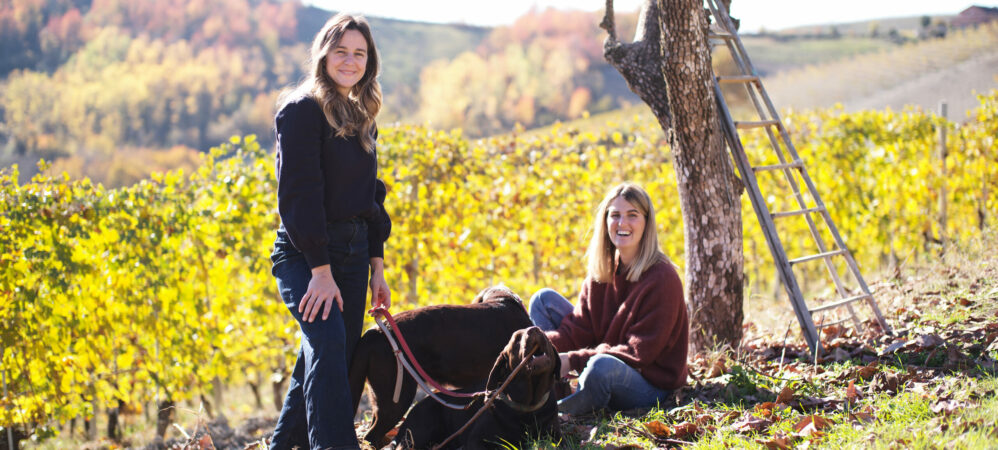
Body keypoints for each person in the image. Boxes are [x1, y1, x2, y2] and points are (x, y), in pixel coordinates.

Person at [268, 12, 391, 450]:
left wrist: (377, 265)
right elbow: (298, 196)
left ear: (368, 61)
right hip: (305, 254)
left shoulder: (362, 114)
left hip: (355, 253)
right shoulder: (301, 109)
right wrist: (320, 270)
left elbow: (370, 197)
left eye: (359, 53)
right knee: (327, 344)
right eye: (341, 51)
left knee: (324, 356)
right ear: (323, 54)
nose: (350, 61)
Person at [528, 182, 688, 415]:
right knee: (542, 300)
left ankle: (557, 413)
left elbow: (638, 355)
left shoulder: (662, 278)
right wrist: (540, 350)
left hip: (651, 384)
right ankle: (550, 388)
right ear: (605, 222)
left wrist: (571, 360)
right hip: (607, 356)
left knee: (600, 368)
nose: (622, 223)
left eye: (632, 215)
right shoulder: (602, 271)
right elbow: (579, 329)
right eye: (615, 215)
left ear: (646, 223)